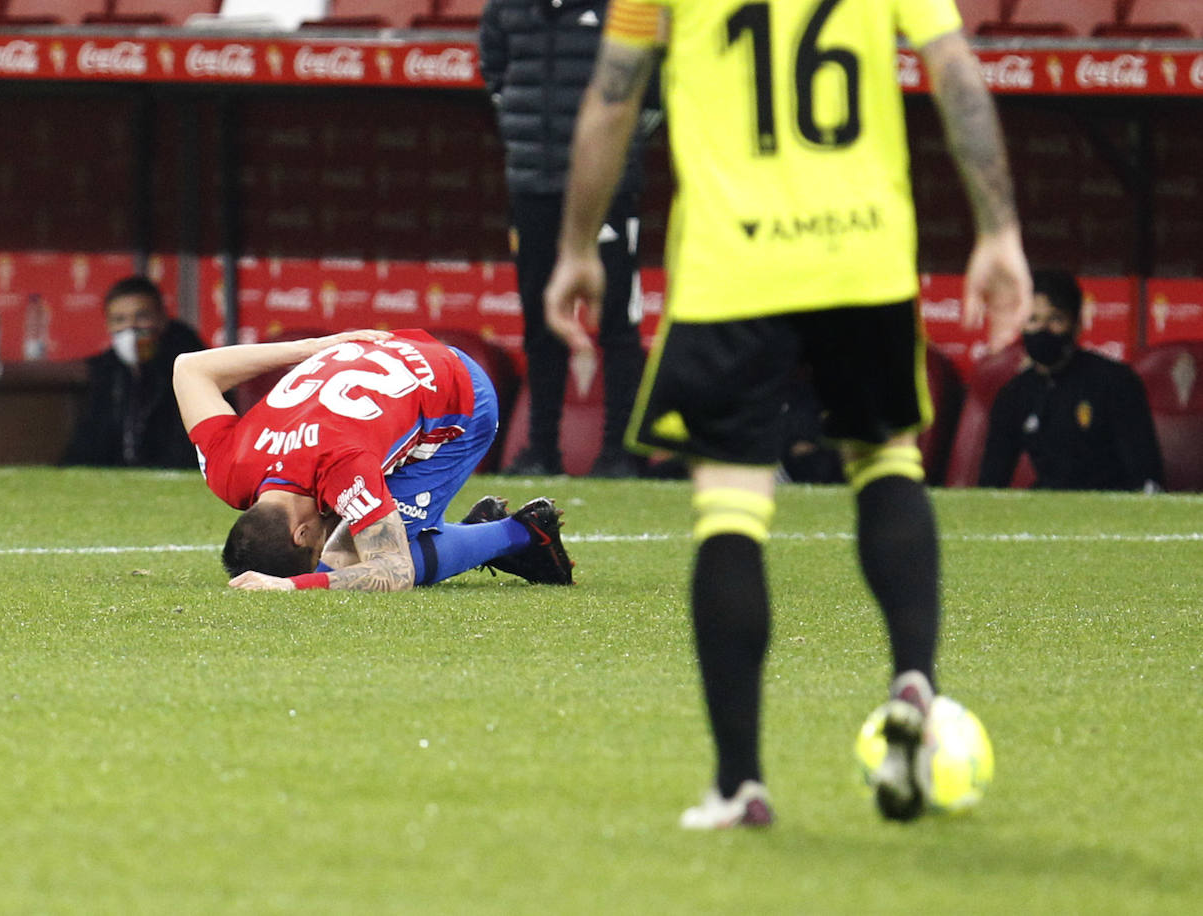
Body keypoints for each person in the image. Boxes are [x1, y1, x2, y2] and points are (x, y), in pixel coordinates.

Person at [544, 0, 1032, 827]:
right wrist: (1000, 228)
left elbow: (613, 96)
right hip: (864, 252)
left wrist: (577, 248)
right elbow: (957, 75)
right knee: (885, 460)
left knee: (731, 505)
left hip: (735, 267)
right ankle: (915, 678)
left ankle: (741, 784)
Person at [172, 328, 575, 592]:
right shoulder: (228, 469)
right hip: (389, 357)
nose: (320, 543)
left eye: (311, 549)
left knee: (349, 561)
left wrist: (294, 585)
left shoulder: (343, 468)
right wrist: (309, 348)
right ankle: (467, 534)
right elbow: (189, 367)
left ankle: (523, 533)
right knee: (353, 548)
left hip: (459, 398)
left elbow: (394, 572)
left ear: (301, 534)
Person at [480, 0, 656, 477]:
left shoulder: (621, 8)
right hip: (532, 185)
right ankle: (541, 450)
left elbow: (651, 87)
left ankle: (620, 453)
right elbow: (494, 74)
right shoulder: (506, 9)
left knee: (618, 322)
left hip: (610, 188)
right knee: (541, 324)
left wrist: (614, 153)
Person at [979, 270, 1164, 492]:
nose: (1042, 330)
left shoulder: (1116, 382)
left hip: (1109, 507)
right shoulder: (1014, 394)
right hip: (1046, 510)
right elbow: (990, 483)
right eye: (1032, 319)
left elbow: (1147, 478)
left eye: (1055, 319)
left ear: (1076, 325)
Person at [61, 276, 207, 469]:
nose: (131, 328)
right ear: (108, 326)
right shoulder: (106, 371)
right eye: (119, 320)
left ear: (162, 319)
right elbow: (88, 443)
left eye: (141, 317)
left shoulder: (191, 365)